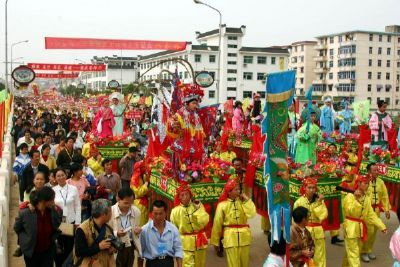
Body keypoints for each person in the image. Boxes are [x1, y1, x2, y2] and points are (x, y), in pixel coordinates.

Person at [341, 175, 387, 267]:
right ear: (358, 183)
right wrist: (356, 200)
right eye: (364, 183)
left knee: (352, 253)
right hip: (350, 228)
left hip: (360, 229)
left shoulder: (366, 198)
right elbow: (349, 211)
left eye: (368, 183)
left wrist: (381, 226)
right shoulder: (350, 196)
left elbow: (371, 215)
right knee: (354, 255)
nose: (367, 185)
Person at [211, 179, 256, 267]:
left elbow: (252, 214)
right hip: (230, 237)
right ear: (229, 192)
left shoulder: (243, 203)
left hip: (245, 237)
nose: (239, 191)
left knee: (245, 263)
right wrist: (215, 241)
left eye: (239, 189)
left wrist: (246, 199)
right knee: (233, 264)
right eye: (236, 189)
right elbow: (217, 223)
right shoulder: (222, 205)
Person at [14, 186, 62, 267]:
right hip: (32, 253)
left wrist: (55, 209)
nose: (53, 202)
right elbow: (17, 228)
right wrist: (25, 241)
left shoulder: (52, 211)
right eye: (52, 200)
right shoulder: (26, 213)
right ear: (44, 200)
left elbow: (57, 224)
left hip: (48, 251)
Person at [170, 184, 209, 267]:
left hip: (200, 241)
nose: (185, 197)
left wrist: (198, 209)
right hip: (185, 243)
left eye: (187, 194)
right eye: (182, 195)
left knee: (200, 264)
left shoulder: (198, 205)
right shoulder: (175, 211)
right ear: (179, 197)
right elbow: (174, 229)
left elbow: (205, 221)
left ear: (190, 195)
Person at [293, 177, 327, 267]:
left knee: (320, 257)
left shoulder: (320, 201)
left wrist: (318, 203)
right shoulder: (298, 202)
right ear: (304, 188)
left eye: (313, 188)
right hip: (304, 233)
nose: (312, 190)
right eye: (309, 187)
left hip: (318, 232)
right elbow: (295, 221)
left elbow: (323, 215)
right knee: (306, 258)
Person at [361, 162, 391, 262]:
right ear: (369, 171)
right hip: (367, 210)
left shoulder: (380, 182)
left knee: (374, 232)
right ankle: (363, 251)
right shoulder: (364, 181)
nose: (377, 172)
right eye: (374, 170)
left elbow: (385, 196)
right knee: (368, 231)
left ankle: (369, 250)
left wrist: (386, 209)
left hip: (377, 210)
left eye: (377, 170)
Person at [73, 199, 116, 267]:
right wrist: (99, 247)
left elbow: (112, 246)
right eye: (110, 211)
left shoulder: (108, 228)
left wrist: (112, 249)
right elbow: (79, 252)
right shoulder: (82, 229)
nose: (111, 214)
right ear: (103, 214)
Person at [140, 199, 183, 267]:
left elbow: (178, 249)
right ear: (151, 213)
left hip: (168, 262)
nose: (158, 217)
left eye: (161, 213)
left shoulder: (173, 229)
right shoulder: (144, 230)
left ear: (166, 213)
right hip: (152, 263)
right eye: (155, 213)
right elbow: (140, 252)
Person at [53, 168, 81, 266]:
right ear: (55, 178)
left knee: (70, 248)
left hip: (71, 222)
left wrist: (78, 222)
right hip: (58, 223)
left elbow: (77, 205)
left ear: (66, 175)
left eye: (62, 175)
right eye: (58, 176)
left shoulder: (73, 189)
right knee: (59, 247)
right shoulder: (53, 190)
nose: (61, 177)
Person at [109, 187, 142, 267]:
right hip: (115, 246)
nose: (129, 206)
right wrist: (116, 233)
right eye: (126, 203)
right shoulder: (110, 211)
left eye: (131, 203)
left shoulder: (136, 211)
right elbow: (105, 232)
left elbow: (137, 232)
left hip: (130, 246)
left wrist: (138, 232)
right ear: (118, 199)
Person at [130, 160, 150, 226]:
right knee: (141, 224)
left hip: (144, 203)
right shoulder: (135, 179)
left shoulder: (142, 176)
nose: (145, 168)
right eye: (143, 167)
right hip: (139, 204)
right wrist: (146, 183)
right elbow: (138, 193)